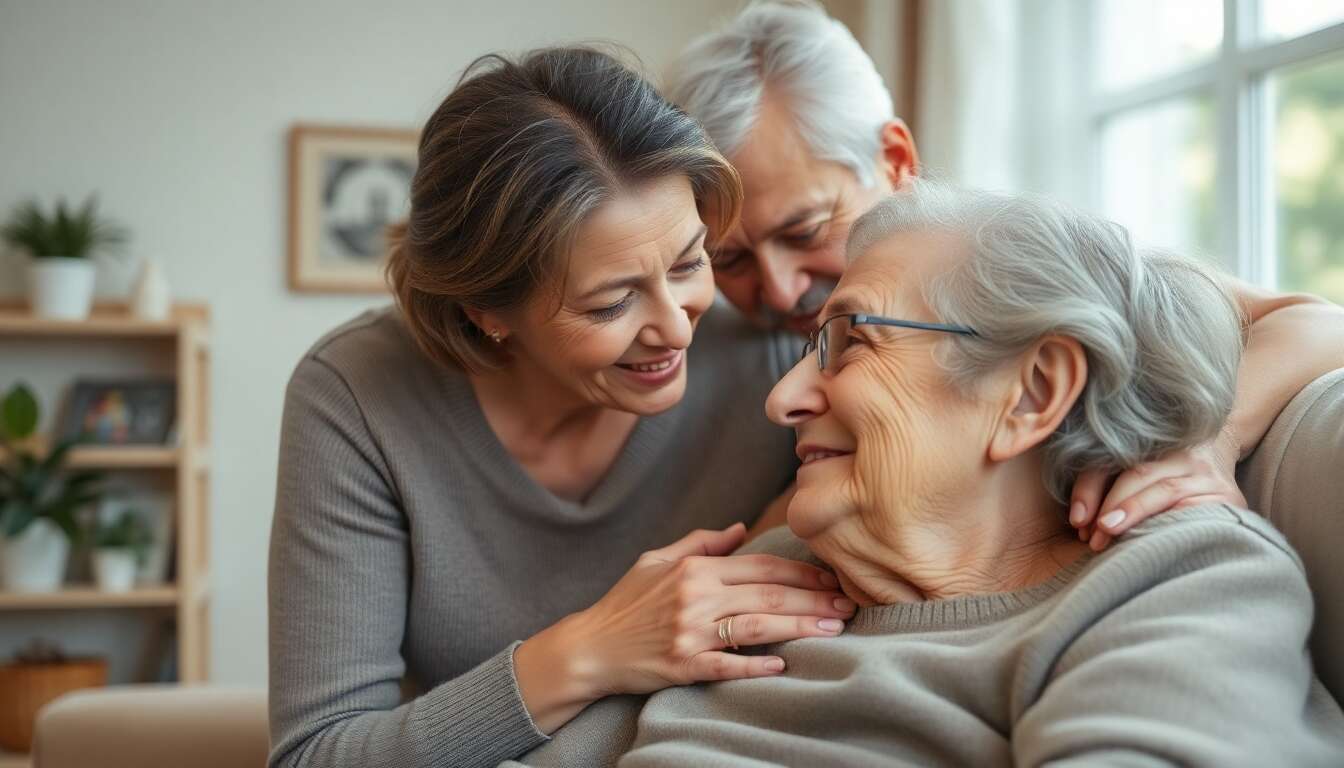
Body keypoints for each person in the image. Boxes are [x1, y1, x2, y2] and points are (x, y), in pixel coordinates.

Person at [577, 181, 1344, 766]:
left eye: (852, 341)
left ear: (1033, 393)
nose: (782, 401)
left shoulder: (1173, 582)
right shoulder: (768, 576)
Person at [267, 47, 859, 768]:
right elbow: (315, 755)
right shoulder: (358, 396)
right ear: (486, 309)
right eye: (612, 301)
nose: (677, 326)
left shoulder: (772, 356)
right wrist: (592, 649)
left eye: (690, 262)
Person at [667, 0, 1344, 548]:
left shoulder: (1006, 266)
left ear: (896, 160)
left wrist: (1210, 440)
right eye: (731, 259)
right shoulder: (720, 357)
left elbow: (1315, 322)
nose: (782, 289)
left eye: (805, 231)